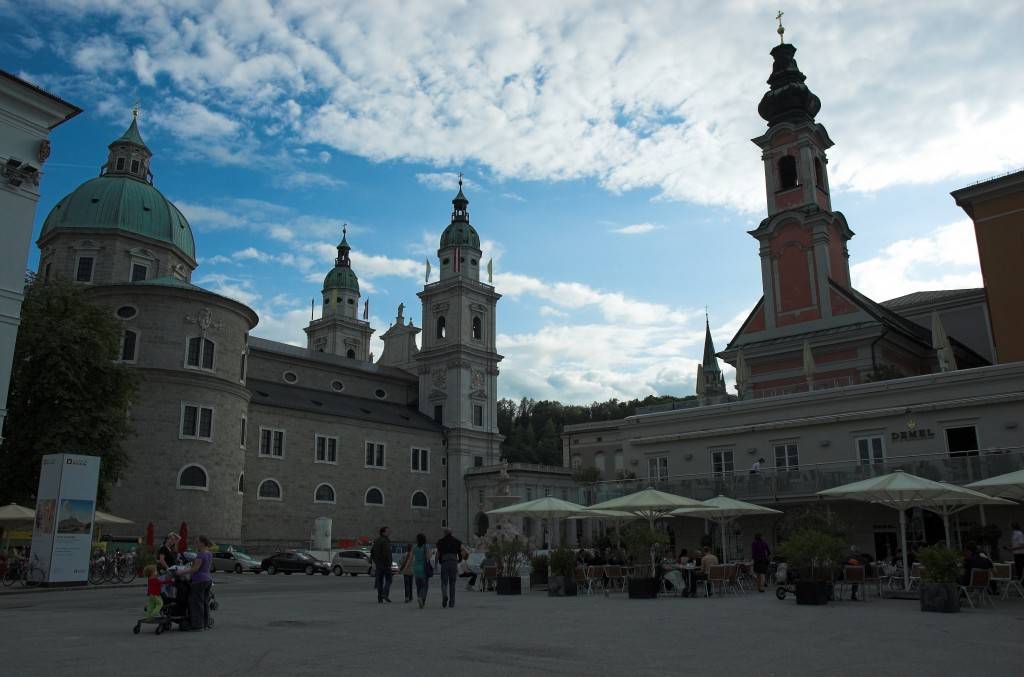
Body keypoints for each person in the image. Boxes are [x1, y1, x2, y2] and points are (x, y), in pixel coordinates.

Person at [177, 535, 213, 630]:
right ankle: (206, 624)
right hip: (208, 579)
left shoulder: (201, 554)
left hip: (199, 581)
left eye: (197, 542)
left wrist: (181, 571)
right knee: (205, 603)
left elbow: (195, 569)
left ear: (202, 543)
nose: (196, 544)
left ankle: (198, 625)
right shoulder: (209, 553)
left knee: (196, 603)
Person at [436, 527, 462, 608]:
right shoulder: (457, 541)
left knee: (444, 582)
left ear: (444, 533)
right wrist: (459, 560)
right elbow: (460, 553)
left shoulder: (440, 542)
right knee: (452, 583)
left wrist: (436, 563)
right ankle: (452, 602)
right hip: (454, 561)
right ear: (451, 533)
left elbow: (438, 553)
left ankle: (444, 595)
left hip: (444, 561)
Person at [371, 526, 393, 604]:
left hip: (379, 565)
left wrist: (376, 561)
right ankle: (384, 593)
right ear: (383, 532)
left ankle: (380, 598)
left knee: (380, 581)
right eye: (387, 531)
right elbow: (387, 553)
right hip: (385, 564)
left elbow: (372, 552)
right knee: (389, 579)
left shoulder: (376, 541)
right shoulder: (385, 541)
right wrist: (389, 563)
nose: (389, 532)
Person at [412, 533, 432, 608]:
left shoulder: (415, 547)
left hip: (416, 567)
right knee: (424, 586)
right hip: (423, 568)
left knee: (418, 586)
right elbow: (428, 557)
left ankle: (419, 598)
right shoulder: (426, 546)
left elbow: (413, 557)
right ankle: (421, 598)